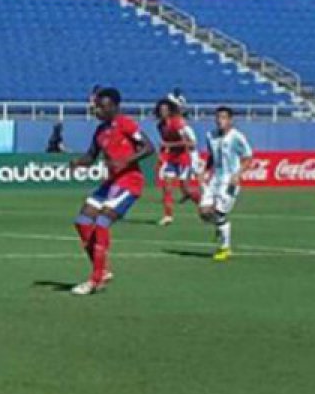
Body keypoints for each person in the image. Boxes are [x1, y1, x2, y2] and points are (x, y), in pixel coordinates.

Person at [69, 87, 154, 296]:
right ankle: (102, 270)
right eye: (97, 106)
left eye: (103, 106)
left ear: (115, 106)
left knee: (102, 221)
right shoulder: (100, 131)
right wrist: (78, 162)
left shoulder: (125, 123)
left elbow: (149, 147)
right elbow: (91, 156)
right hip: (110, 183)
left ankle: (95, 280)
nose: (99, 110)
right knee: (82, 220)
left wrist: (126, 160)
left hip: (129, 182)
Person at [198, 106, 253, 262]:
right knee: (203, 212)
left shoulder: (237, 137)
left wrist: (238, 174)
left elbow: (248, 157)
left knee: (220, 213)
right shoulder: (211, 136)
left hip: (229, 181)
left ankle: (225, 247)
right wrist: (205, 171)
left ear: (230, 120)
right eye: (217, 117)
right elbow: (211, 157)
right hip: (215, 179)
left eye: (223, 117)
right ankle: (220, 226)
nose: (219, 120)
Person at [155, 98, 199, 226]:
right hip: (171, 158)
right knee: (167, 187)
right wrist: (161, 155)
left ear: (170, 110)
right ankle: (168, 216)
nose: (162, 112)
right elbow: (164, 143)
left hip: (183, 158)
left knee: (186, 190)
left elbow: (190, 143)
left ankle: (204, 204)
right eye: (160, 110)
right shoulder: (160, 126)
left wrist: (169, 144)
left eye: (165, 109)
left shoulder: (177, 123)